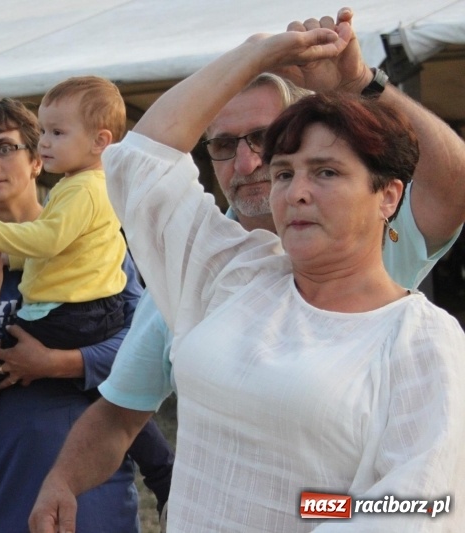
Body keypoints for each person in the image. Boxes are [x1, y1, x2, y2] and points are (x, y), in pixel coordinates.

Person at [30, 10, 465, 533]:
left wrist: (301, 508)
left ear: (388, 196)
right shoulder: (233, 274)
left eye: (326, 172)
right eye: (285, 172)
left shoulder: (420, 339)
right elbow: (139, 162)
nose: (294, 190)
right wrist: (255, 53)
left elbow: (425, 507)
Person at [0, 77, 173, 512]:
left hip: (95, 491)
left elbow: (144, 349)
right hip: (2, 489)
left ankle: (165, 473)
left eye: (4, 148)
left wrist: (57, 364)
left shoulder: (94, 244)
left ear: (38, 160)